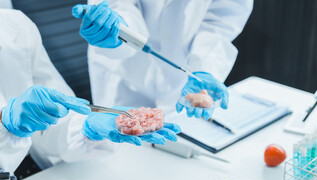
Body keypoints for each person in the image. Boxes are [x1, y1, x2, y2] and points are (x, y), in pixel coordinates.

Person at [0, 8, 180, 173]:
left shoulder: (15, 25)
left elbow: (50, 128)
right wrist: (5, 125)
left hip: (33, 171)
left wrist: (85, 128)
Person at [72, 0, 253, 119]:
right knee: (121, 149)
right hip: (123, 75)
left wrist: (204, 65)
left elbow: (221, 20)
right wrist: (118, 28)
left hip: (181, 79)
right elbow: (117, 5)